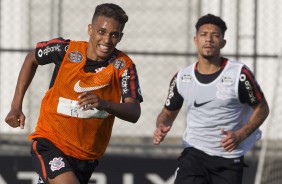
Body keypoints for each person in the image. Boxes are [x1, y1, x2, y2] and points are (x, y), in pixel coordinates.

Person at [5, 3, 143, 184]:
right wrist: (16, 106)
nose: (107, 40)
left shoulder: (123, 66)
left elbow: (134, 112)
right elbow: (32, 58)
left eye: (114, 35)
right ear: (90, 29)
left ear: (120, 37)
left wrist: (105, 104)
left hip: (86, 157)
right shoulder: (66, 50)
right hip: (51, 143)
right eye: (101, 32)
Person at [153, 14, 269, 184]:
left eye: (215, 35)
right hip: (193, 155)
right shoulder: (182, 77)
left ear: (223, 43)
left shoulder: (239, 75)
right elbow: (167, 113)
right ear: (195, 40)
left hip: (228, 158)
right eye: (203, 34)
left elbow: (262, 108)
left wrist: (240, 135)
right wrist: (161, 125)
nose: (208, 39)